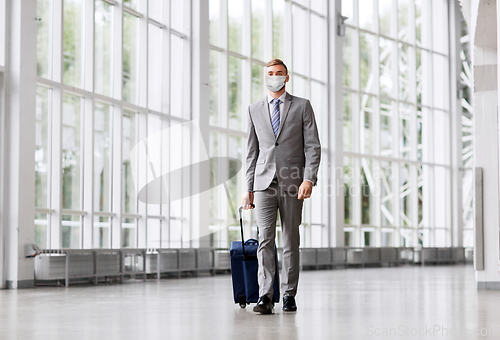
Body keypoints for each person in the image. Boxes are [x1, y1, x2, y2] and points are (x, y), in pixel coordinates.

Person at [241, 58, 321, 314]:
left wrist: (309, 178)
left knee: (290, 240)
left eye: (279, 73)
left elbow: (312, 146)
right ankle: (265, 295)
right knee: (265, 240)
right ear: (265, 77)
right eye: (270, 73)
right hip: (263, 184)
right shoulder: (254, 109)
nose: (274, 77)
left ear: (287, 78)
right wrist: (248, 187)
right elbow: (251, 152)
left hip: (293, 182)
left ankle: (288, 294)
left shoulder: (302, 106)